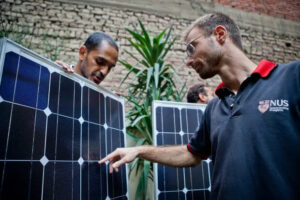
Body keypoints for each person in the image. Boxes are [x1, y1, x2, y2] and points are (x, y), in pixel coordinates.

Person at [99, 13, 300, 200]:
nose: (187, 61)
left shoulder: (292, 78)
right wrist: (140, 151)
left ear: (220, 35)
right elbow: (191, 154)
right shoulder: (214, 108)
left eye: (191, 48)